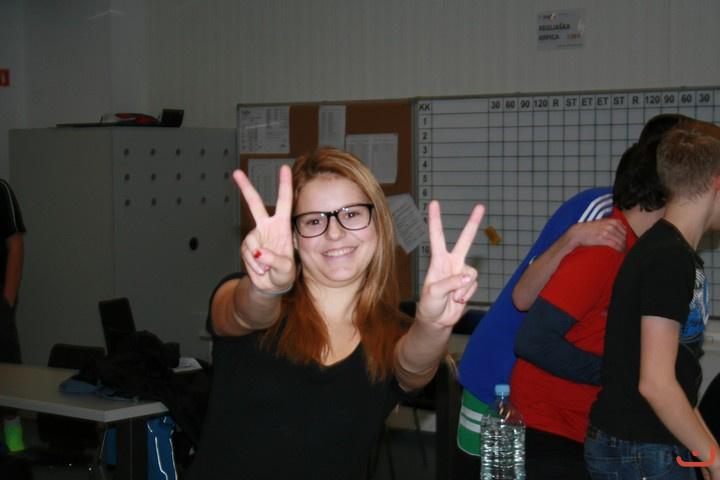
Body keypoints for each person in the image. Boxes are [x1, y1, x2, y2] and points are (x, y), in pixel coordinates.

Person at [186, 148, 485, 480]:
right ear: (294, 238)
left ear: (379, 224)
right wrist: (265, 290)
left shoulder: (393, 336)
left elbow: (413, 368)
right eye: (314, 220)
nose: (334, 233)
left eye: (351, 214)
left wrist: (432, 325)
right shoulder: (249, 296)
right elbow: (244, 314)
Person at [455, 113, 691, 473]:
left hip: (544, 383)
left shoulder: (639, 233)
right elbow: (523, 298)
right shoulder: (604, 213)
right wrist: (572, 237)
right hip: (499, 370)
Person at [509, 134, 670, 479]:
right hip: (549, 430)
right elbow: (532, 341)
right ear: (664, 192)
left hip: (579, 427)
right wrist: (618, 373)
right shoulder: (606, 250)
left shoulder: (635, 249)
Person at [585, 120, 720, 479]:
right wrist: (713, 457)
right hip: (640, 449)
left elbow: (678, 376)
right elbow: (655, 383)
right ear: (717, 184)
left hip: (646, 445)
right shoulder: (668, 258)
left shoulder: (669, 251)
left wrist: (707, 446)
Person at [0, 179, 26, 453]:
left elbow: (15, 245)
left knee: (8, 372)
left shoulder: (1, 190)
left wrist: (7, 301)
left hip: (0, 303)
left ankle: (13, 431)